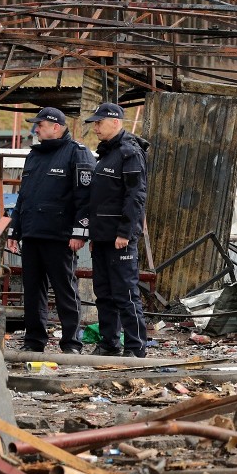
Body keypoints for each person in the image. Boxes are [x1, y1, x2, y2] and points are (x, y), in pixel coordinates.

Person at [8, 107, 95, 355]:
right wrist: (14, 231)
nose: (36, 129)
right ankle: (34, 341)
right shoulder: (33, 156)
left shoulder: (77, 154)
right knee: (33, 291)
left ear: (56, 127)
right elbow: (23, 197)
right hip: (33, 234)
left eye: (40, 125)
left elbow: (85, 198)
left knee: (65, 290)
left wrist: (80, 232)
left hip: (60, 237)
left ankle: (71, 343)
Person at [85, 102, 150, 357]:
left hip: (119, 238)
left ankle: (136, 347)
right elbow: (101, 198)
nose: (96, 128)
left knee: (125, 293)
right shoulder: (106, 153)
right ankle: (108, 343)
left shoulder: (129, 153)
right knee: (104, 293)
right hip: (102, 238)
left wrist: (125, 232)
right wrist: (95, 235)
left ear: (115, 122)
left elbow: (135, 196)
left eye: (99, 123)